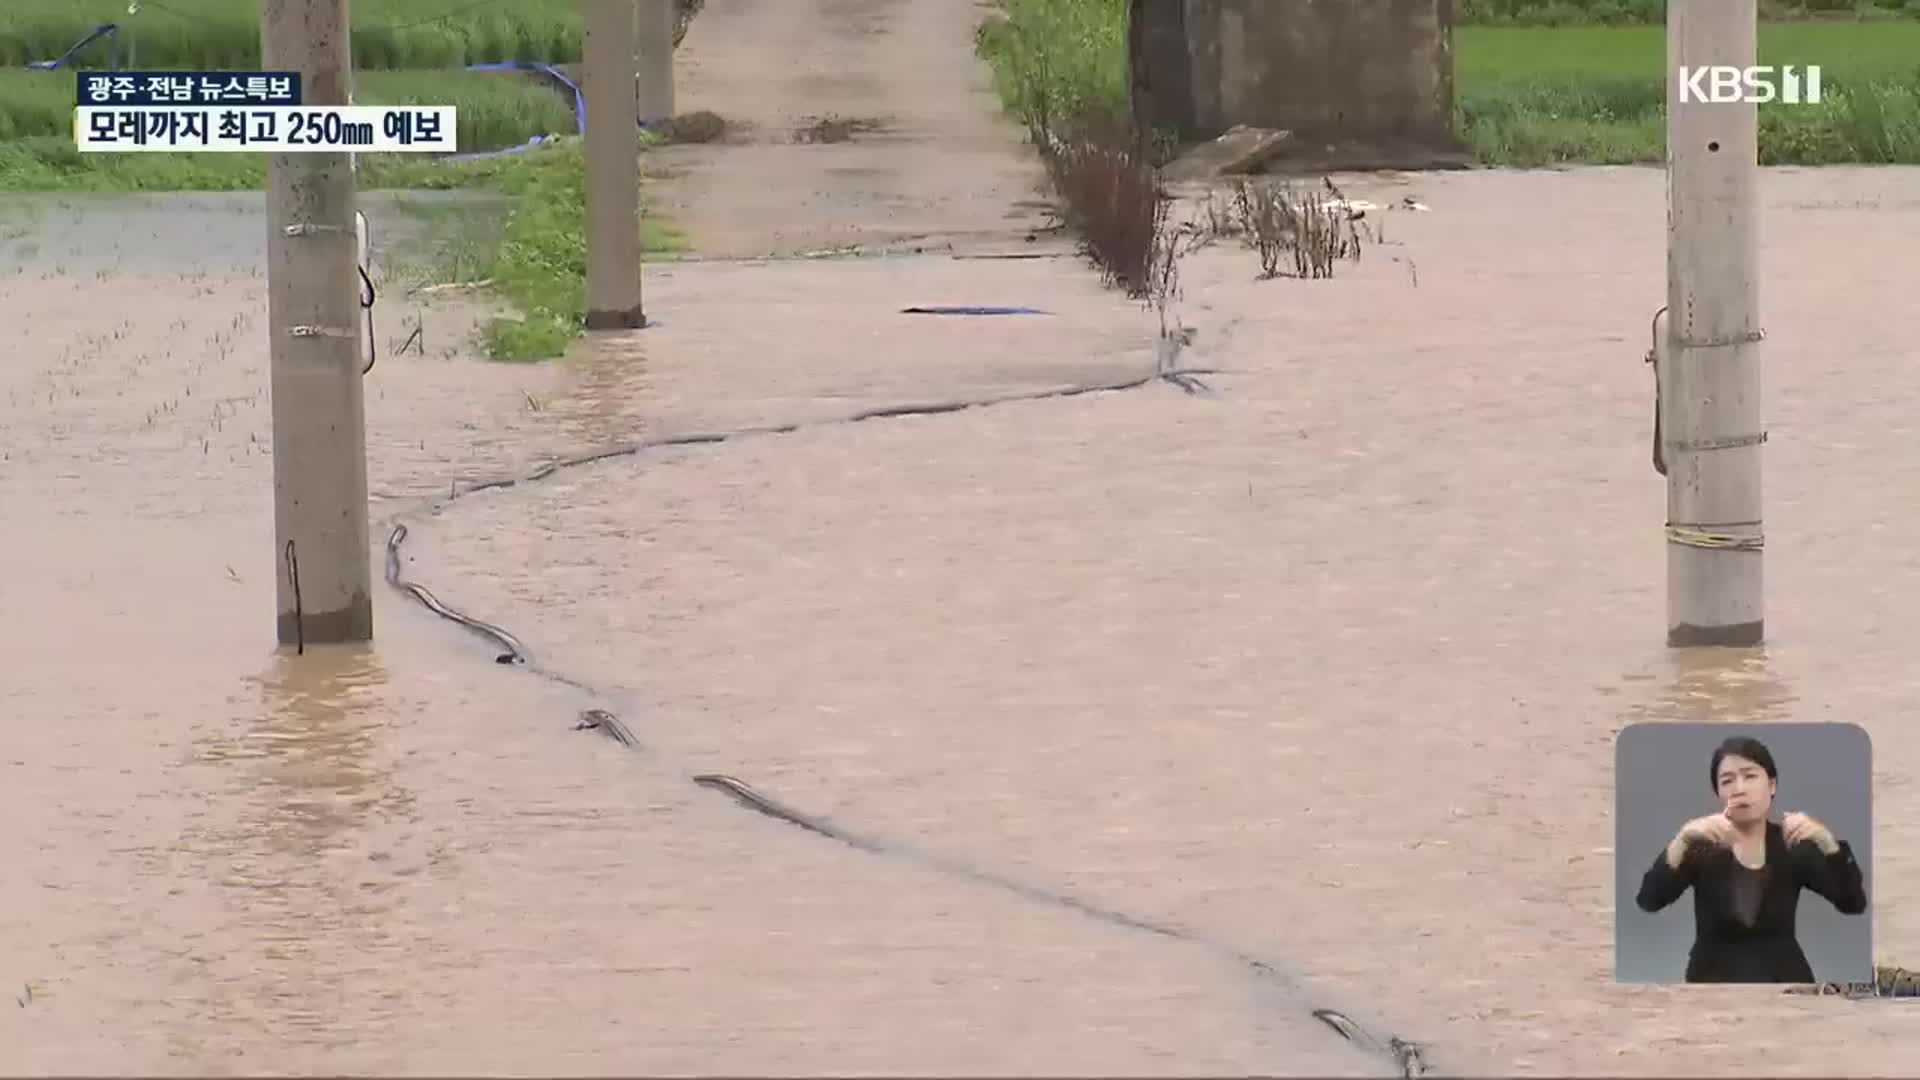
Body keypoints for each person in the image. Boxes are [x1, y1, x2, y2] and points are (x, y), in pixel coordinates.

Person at [1636, 735, 1868, 983]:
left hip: (1785, 983)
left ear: (1772, 785)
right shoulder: (1700, 847)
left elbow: (1853, 903)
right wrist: (1681, 840)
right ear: (1718, 793)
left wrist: (1826, 840)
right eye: (1727, 781)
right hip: (1712, 986)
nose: (1739, 789)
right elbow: (1649, 900)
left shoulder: (1792, 845)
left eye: (1750, 776)